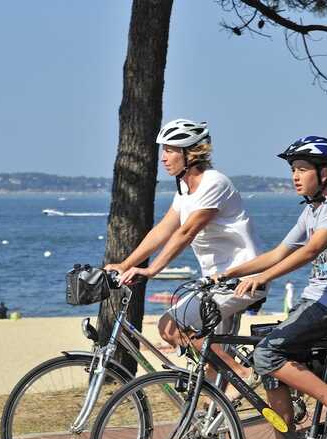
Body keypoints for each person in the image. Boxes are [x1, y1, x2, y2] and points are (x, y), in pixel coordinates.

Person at [222, 135, 327, 439]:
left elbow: (307, 252)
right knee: (270, 365)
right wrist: (228, 273)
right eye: (293, 170)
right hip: (317, 298)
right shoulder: (311, 210)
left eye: (302, 169)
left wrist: (262, 279)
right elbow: (279, 252)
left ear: (324, 172)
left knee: (268, 353)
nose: (295, 176)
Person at [106, 119, 265, 384]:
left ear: (190, 154)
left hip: (242, 278)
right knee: (210, 366)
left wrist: (151, 270)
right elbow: (164, 230)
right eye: (164, 150)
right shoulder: (184, 190)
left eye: (170, 150)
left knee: (170, 326)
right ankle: (217, 415)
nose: (163, 158)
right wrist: (125, 264)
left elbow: (186, 231)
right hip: (215, 281)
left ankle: (245, 374)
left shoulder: (214, 183)